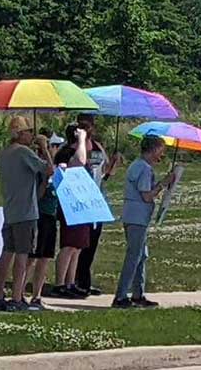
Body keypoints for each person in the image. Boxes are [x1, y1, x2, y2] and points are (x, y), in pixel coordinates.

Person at [0, 116, 52, 312]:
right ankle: (17, 297)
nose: (32, 135)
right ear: (20, 134)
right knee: (23, 254)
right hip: (26, 211)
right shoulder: (23, 152)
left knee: (7, 252)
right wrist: (44, 148)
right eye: (28, 132)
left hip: (10, 210)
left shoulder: (5, 153)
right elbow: (49, 169)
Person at [112, 135, 175, 308]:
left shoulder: (137, 165)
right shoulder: (144, 169)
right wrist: (163, 184)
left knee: (141, 255)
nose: (161, 155)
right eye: (161, 150)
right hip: (137, 217)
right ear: (154, 149)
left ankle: (138, 293)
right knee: (134, 256)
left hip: (135, 216)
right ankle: (121, 295)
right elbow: (146, 196)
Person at [74, 114, 123, 296]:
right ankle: (76, 280)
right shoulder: (76, 147)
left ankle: (85, 280)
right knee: (80, 243)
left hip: (97, 199)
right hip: (81, 200)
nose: (88, 129)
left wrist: (113, 164)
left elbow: (104, 173)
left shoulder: (98, 147)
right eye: (84, 125)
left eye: (90, 125)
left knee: (92, 244)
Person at [50, 123, 91, 299]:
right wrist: (82, 139)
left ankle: (70, 282)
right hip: (69, 205)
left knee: (78, 247)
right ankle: (59, 283)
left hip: (81, 204)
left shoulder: (79, 151)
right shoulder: (66, 153)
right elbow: (79, 163)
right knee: (69, 246)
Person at [27, 133, 60, 310]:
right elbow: (37, 195)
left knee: (45, 258)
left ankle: (37, 295)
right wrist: (44, 149)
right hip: (39, 215)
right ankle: (21, 292)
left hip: (50, 216)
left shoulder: (52, 168)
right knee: (32, 258)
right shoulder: (39, 168)